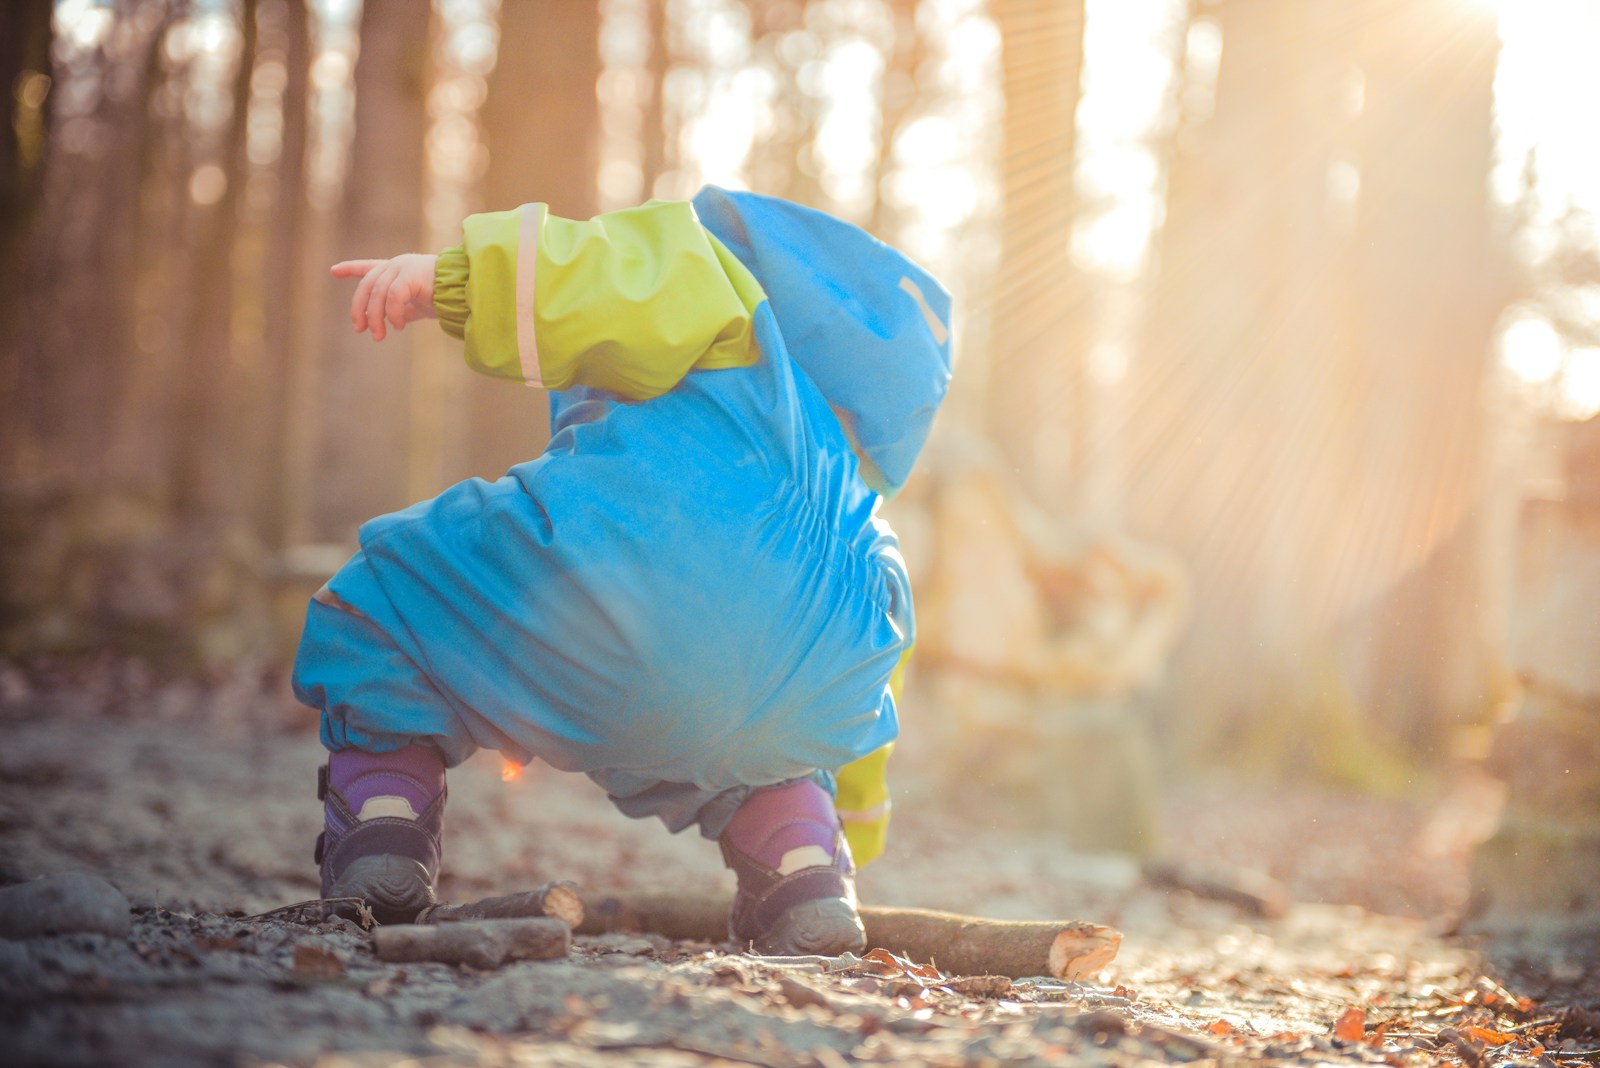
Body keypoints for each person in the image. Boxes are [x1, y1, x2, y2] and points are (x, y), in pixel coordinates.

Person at [293, 186, 952, 955]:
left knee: (388, 600)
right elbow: (872, 693)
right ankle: (804, 866)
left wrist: (450, 282)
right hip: (790, 703)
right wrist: (856, 829)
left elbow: (611, 276)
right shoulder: (865, 527)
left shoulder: (729, 302)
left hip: (622, 598)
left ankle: (384, 827)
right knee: (772, 749)